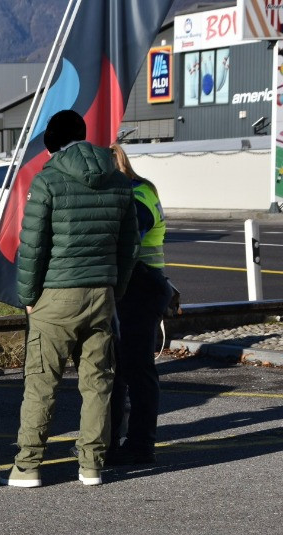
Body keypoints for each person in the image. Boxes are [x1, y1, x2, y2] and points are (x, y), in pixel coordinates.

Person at [0, 110, 140, 488]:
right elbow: (130, 246)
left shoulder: (48, 181)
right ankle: (91, 465)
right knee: (98, 382)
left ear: (52, 144)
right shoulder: (118, 180)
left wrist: (28, 297)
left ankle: (28, 467)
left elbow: (33, 247)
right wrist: (116, 289)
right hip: (102, 295)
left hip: (55, 297)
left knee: (42, 384)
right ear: (83, 135)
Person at [107, 143, 170, 465]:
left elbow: (129, 239)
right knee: (126, 369)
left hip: (138, 287)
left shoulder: (135, 194)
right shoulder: (142, 188)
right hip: (144, 285)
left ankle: (135, 444)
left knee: (129, 369)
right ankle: (126, 443)